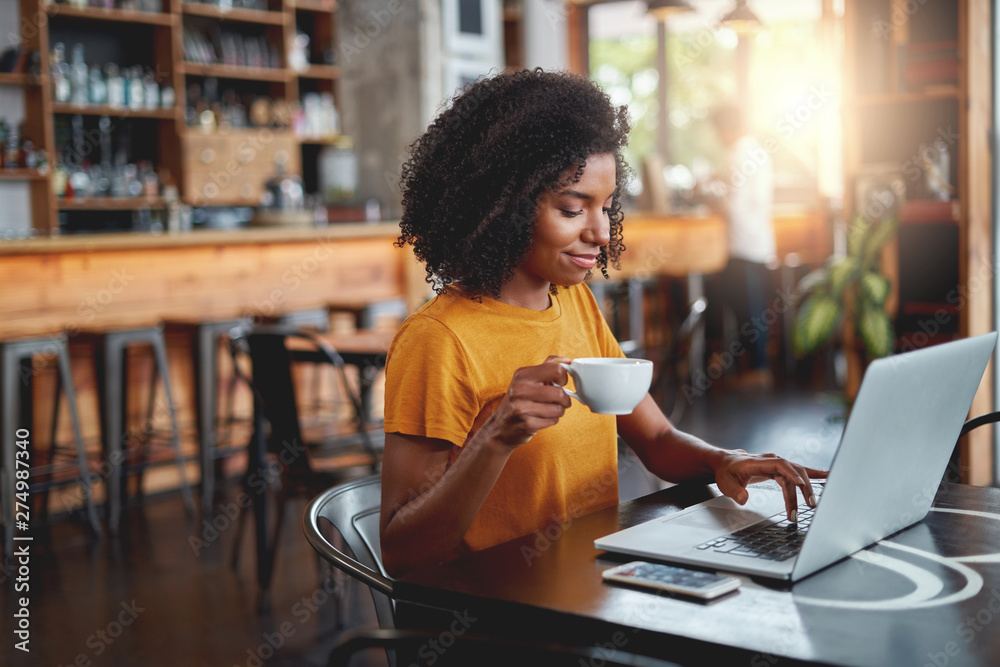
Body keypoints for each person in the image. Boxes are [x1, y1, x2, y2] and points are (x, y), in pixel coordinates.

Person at [379, 70, 823, 577]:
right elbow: (402, 551)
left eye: (608, 207)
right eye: (572, 209)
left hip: (594, 588)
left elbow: (656, 441)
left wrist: (722, 459)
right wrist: (496, 437)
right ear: (501, 206)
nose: (600, 231)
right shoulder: (438, 341)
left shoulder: (577, 304)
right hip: (495, 617)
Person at [706, 102, 777, 387]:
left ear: (726, 128)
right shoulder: (757, 151)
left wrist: (712, 200)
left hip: (742, 244)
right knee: (752, 309)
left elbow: (733, 207)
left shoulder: (738, 154)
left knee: (747, 311)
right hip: (758, 243)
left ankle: (756, 370)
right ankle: (752, 366)